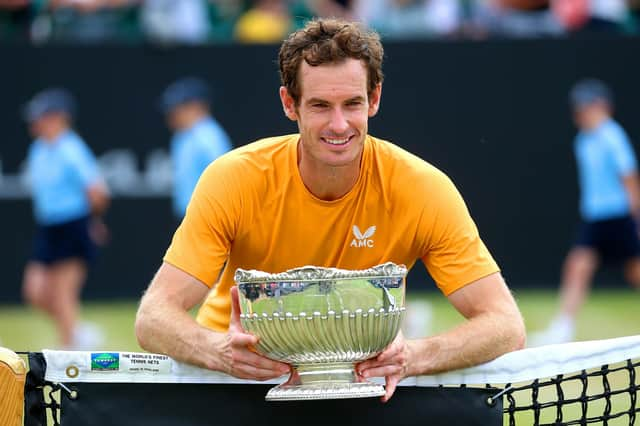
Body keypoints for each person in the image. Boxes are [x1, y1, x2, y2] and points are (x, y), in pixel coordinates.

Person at [135, 17, 525, 402]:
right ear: (290, 104)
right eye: (320, 105)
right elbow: (154, 317)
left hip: (361, 388)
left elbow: (505, 325)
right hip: (238, 386)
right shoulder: (233, 178)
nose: (339, 125)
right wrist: (219, 350)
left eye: (352, 104)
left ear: (374, 99)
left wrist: (413, 356)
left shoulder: (424, 188)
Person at [529, 78, 640, 346]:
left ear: (602, 106)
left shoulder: (613, 136)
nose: (581, 114)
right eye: (579, 109)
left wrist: (636, 218)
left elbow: (629, 178)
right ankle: (563, 328)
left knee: (635, 272)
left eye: (587, 107)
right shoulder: (583, 141)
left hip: (620, 216)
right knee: (577, 266)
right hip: (595, 218)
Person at [21, 88, 110, 349]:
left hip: (73, 226)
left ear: (59, 117)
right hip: (49, 228)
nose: (35, 123)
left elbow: (97, 192)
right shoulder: (38, 149)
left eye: (41, 116)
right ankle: (78, 332)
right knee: (35, 292)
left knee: (63, 294)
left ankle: (68, 350)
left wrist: (92, 221)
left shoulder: (72, 149)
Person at [159, 77, 233, 219]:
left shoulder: (210, 137)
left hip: (209, 217)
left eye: (178, 109)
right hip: (189, 217)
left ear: (196, 106)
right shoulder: (181, 136)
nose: (172, 115)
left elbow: (225, 181)